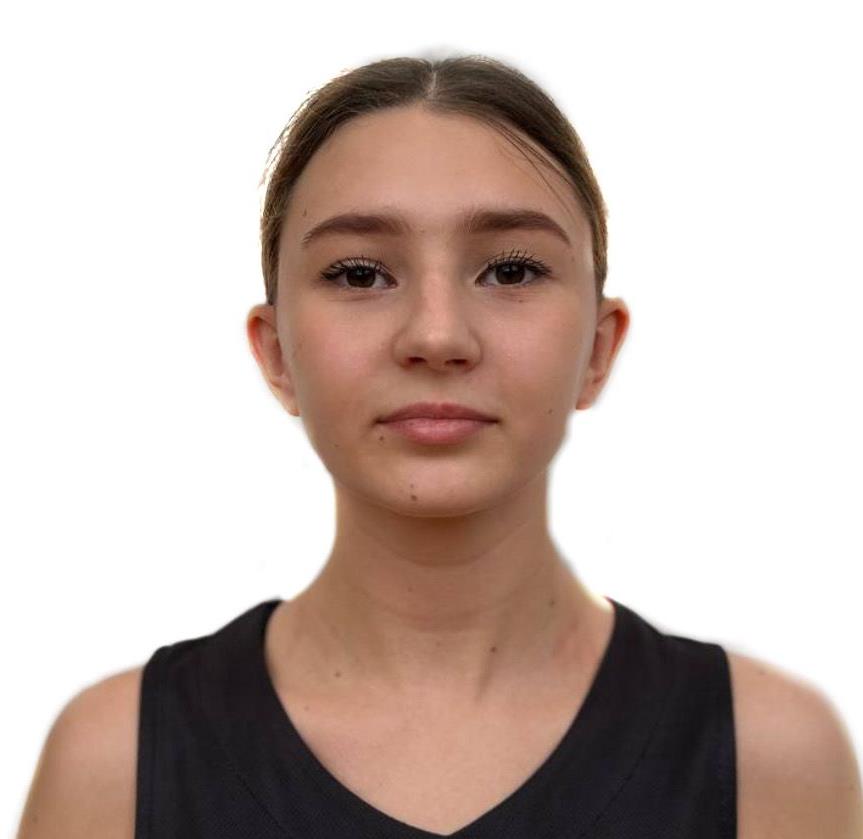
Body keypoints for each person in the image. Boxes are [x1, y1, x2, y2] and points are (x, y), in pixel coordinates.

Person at [17, 54, 863, 839]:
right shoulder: (114, 765)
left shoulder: (768, 758)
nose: (436, 335)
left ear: (597, 348)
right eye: (359, 273)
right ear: (275, 353)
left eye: (511, 270)